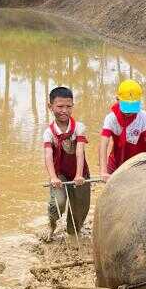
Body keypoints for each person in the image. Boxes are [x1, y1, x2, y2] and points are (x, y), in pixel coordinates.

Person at [43, 86, 90, 237]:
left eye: (69, 107)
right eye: (60, 106)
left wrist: (79, 175)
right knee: (58, 202)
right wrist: (53, 177)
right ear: (50, 106)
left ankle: (73, 231)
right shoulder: (49, 133)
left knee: (80, 207)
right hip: (59, 173)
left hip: (79, 172)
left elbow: (79, 152)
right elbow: (48, 155)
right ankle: (52, 224)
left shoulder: (79, 128)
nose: (64, 110)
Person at [98, 79, 146, 181]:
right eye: (126, 106)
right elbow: (103, 144)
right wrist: (103, 171)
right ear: (118, 100)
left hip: (138, 163)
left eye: (132, 106)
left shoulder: (144, 117)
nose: (129, 112)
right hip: (116, 163)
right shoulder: (111, 118)